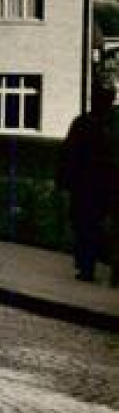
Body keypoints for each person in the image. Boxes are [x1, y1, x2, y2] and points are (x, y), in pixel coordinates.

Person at [57, 83, 119, 283]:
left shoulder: (83, 123)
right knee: (104, 228)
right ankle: (109, 271)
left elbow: (68, 154)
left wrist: (63, 181)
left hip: (86, 186)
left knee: (85, 226)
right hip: (107, 185)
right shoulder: (113, 124)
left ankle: (87, 267)